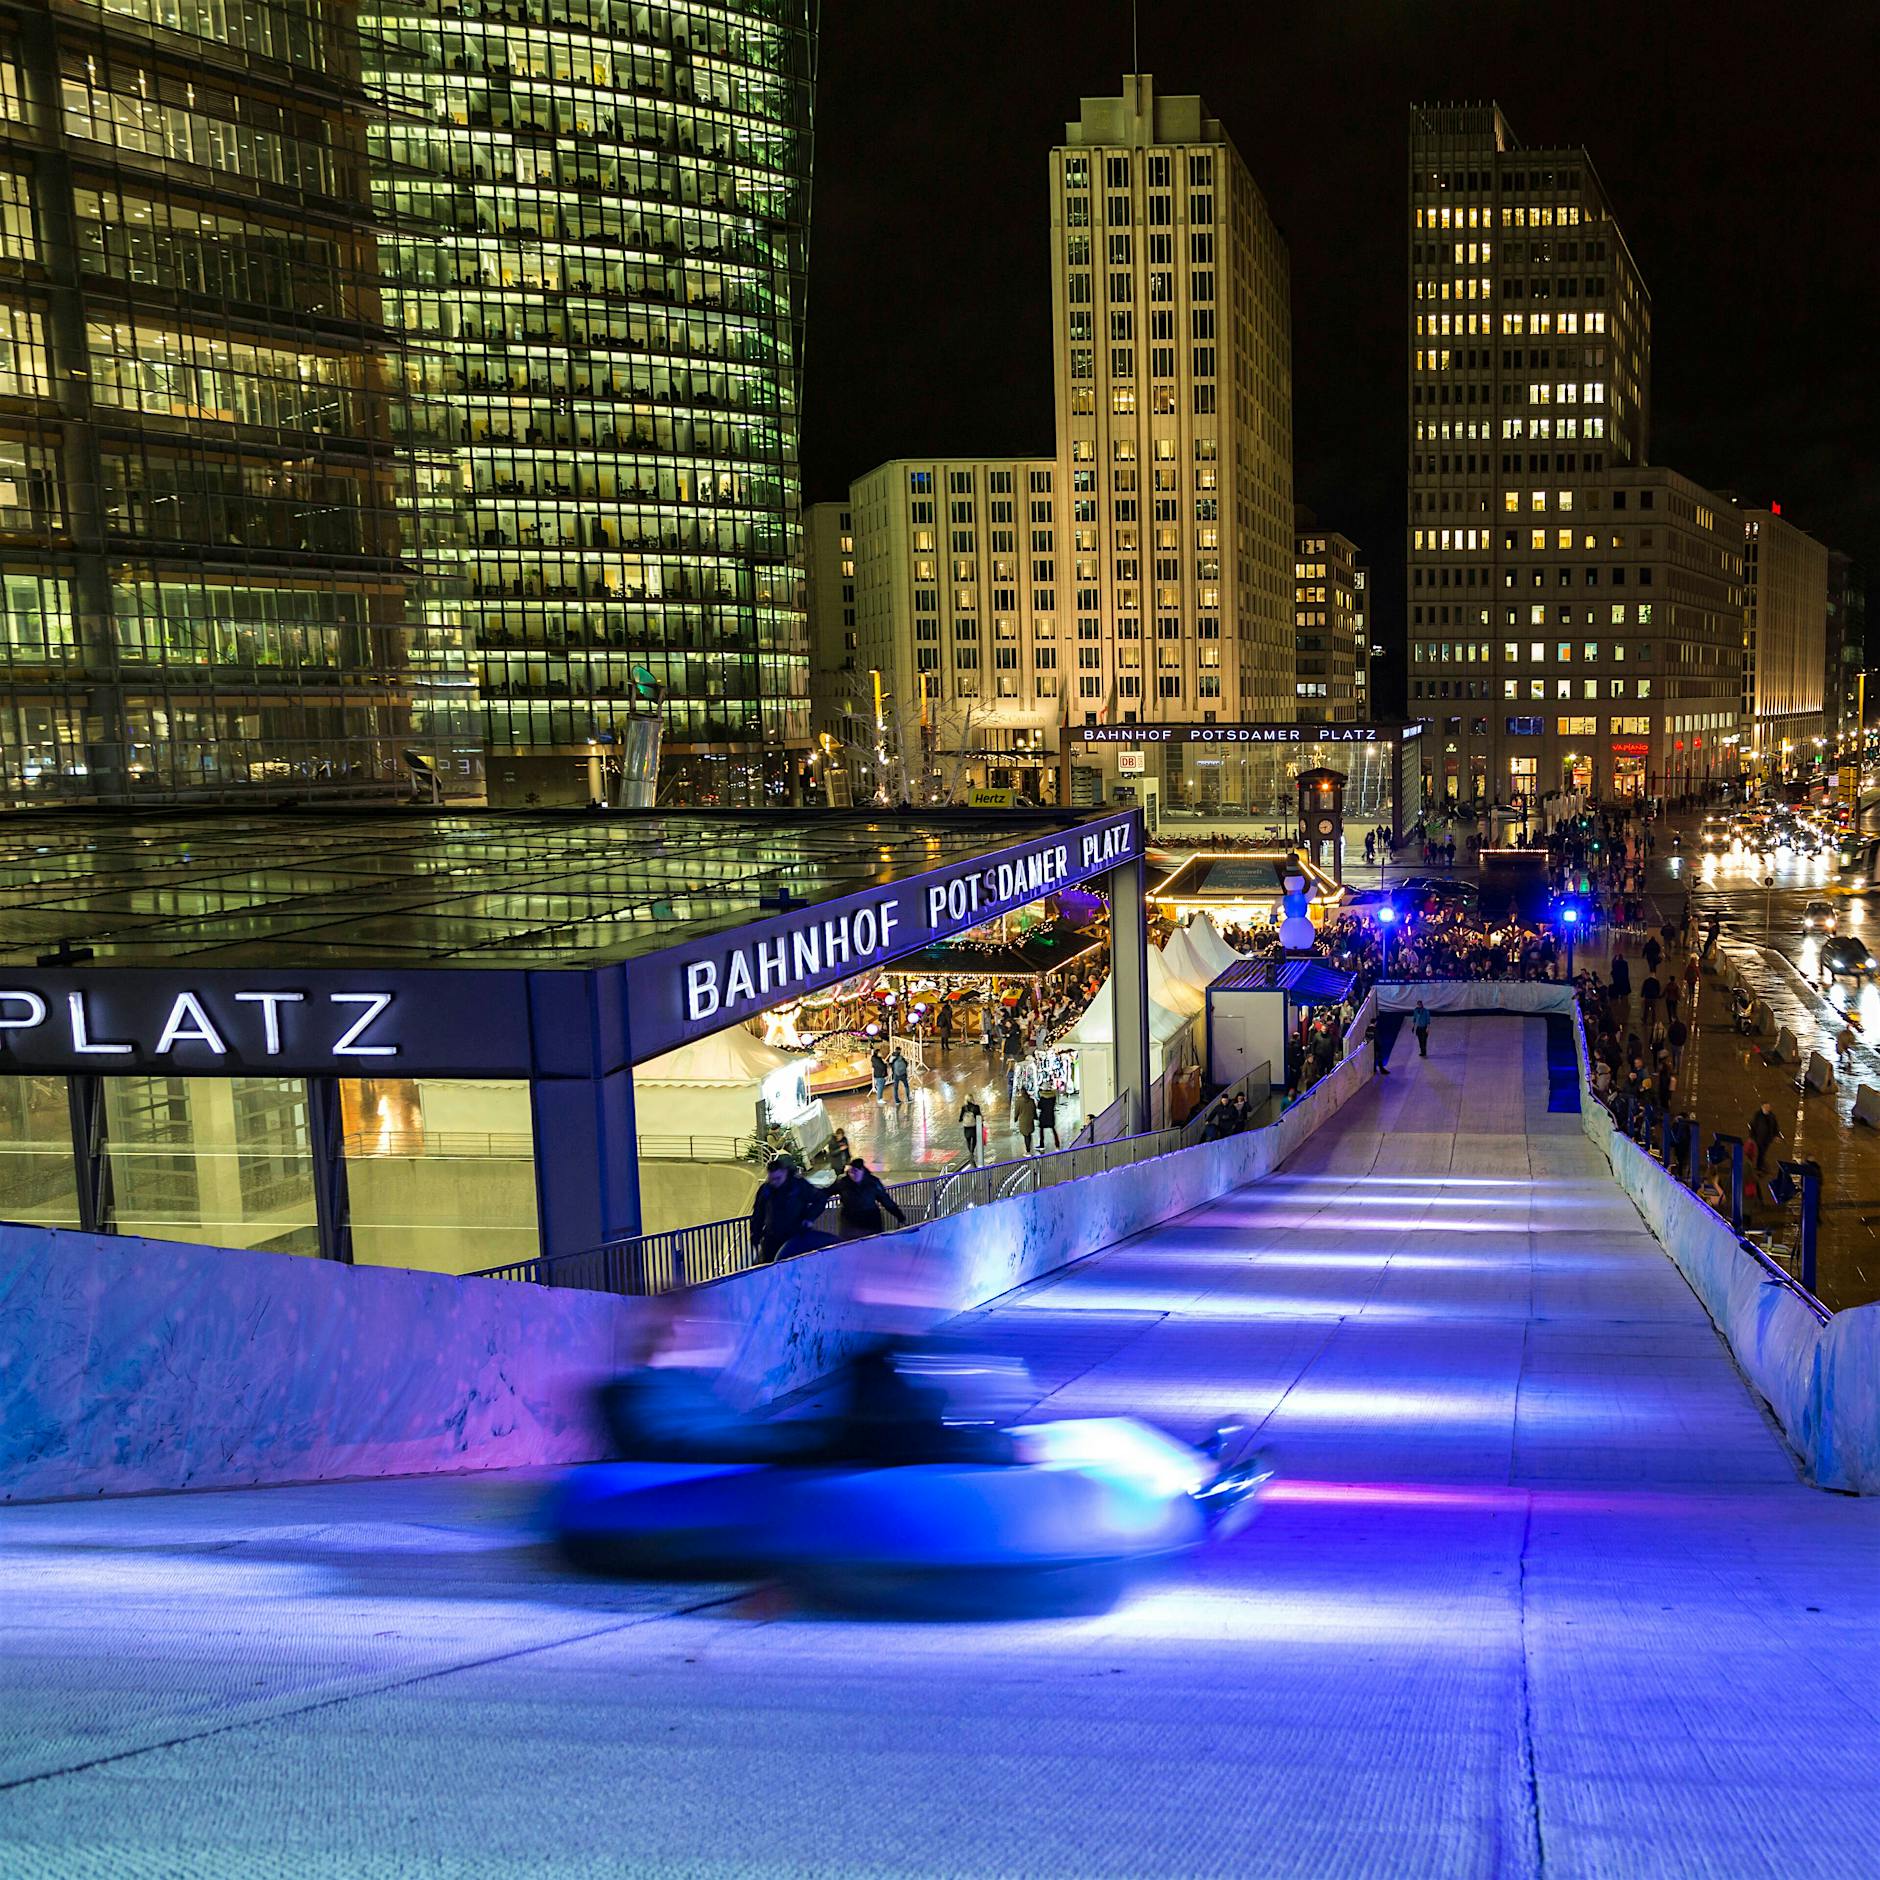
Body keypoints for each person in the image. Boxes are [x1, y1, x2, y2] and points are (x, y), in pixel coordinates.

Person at [749, 1156, 833, 1264]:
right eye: (771, 1179)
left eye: (777, 1178)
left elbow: (820, 1198)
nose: (774, 1182)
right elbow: (758, 1213)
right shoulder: (766, 1189)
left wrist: (809, 1218)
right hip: (772, 1238)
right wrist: (755, 1233)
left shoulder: (798, 1186)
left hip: (795, 1237)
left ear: (785, 1172)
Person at [833, 1156, 906, 1238]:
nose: (852, 1174)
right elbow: (827, 1191)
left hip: (870, 1223)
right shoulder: (843, 1182)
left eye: (855, 1171)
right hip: (850, 1223)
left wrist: (900, 1216)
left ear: (862, 1170)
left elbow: (886, 1201)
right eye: (850, 1172)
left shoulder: (873, 1182)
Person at [1748, 1102, 1782, 1173]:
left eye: (1768, 1107)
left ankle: (1760, 1164)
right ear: (1762, 1107)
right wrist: (1751, 1137)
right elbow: (1753, 1126)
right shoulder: (1757, 1115)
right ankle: (1759, 1166)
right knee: (1761, 1152)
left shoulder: (1772, 1116)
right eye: (1765, 1107)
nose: (1767, 1109)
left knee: (1763, 1152)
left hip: (1768, 1139)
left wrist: (1776, 1136)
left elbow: (1775, 1127)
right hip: (1759, 1138)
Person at [959, 1096, 984, 1163]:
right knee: (974, 1139)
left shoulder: (964, 1107)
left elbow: (960, 1118)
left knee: (968, 1140)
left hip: (966, 1126)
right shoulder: (976, 1107)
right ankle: (972, 1150)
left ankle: (970, 1151)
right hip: (974, 1126)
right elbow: (979, 1116)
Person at [1037, 1081, 1062, 1149]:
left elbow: (1039, 1106)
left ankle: (1041, 1145)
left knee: (1041, 1130)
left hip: (1043, 1116)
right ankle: (1057, 1145)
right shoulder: (1053, 1097)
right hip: (1051, 1115)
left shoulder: (1042, 1098)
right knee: (1053, 1130)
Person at [1013, 1083, 1037, 1154]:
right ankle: (1029, 1147)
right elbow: (1034, 1110)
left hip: (1023, 1121)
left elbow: (1016, 1112)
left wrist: (1015, 1119)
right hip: (1030, 1120)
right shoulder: (1031, 1100)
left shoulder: (1018, 1101)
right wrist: (1035, 1117)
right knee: (1029, 1134)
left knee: (1026, 1136)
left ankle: (1028, 1150)